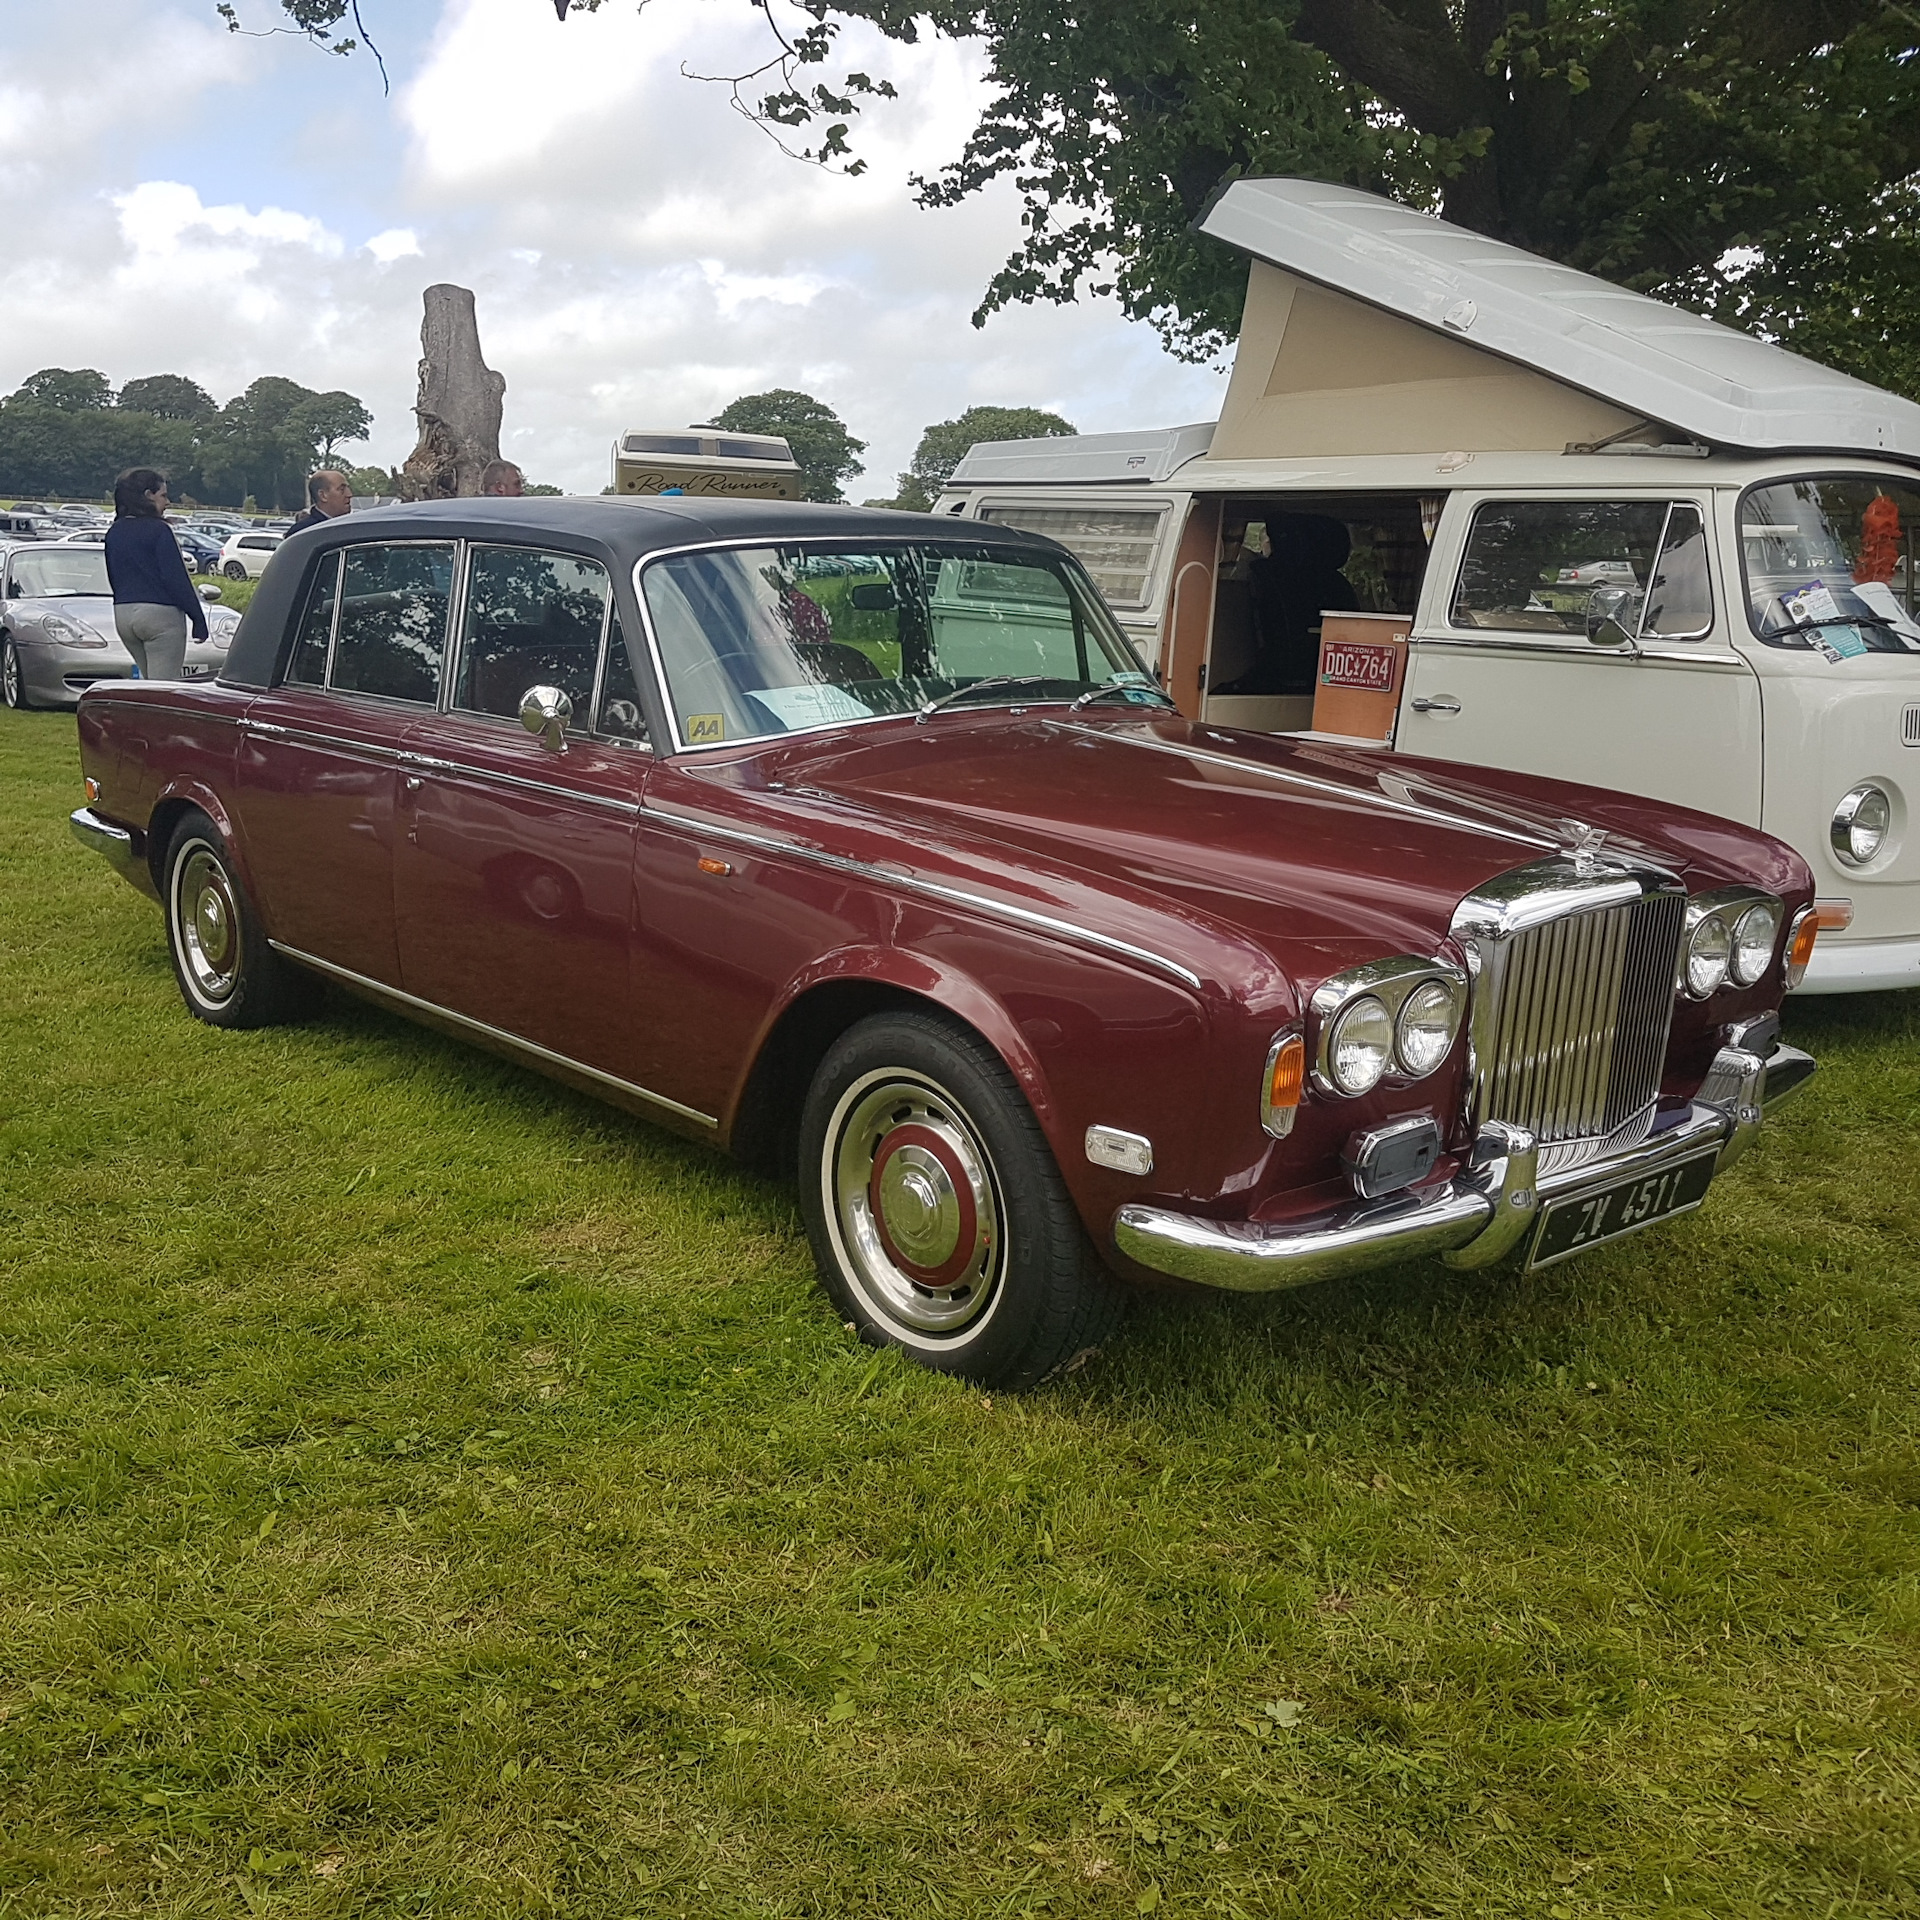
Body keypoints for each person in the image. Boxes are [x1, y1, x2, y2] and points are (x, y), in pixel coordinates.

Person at [103, 469, 207, 681]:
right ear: (148, 495)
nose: (167, 502)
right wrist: (197, 617)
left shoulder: (114, 531)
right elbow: (176, 579)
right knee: (164, 688)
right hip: (159, 615)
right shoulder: (160, 530)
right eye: (163, 495)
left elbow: (114, 576)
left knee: (147, 683)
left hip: (123, 614)